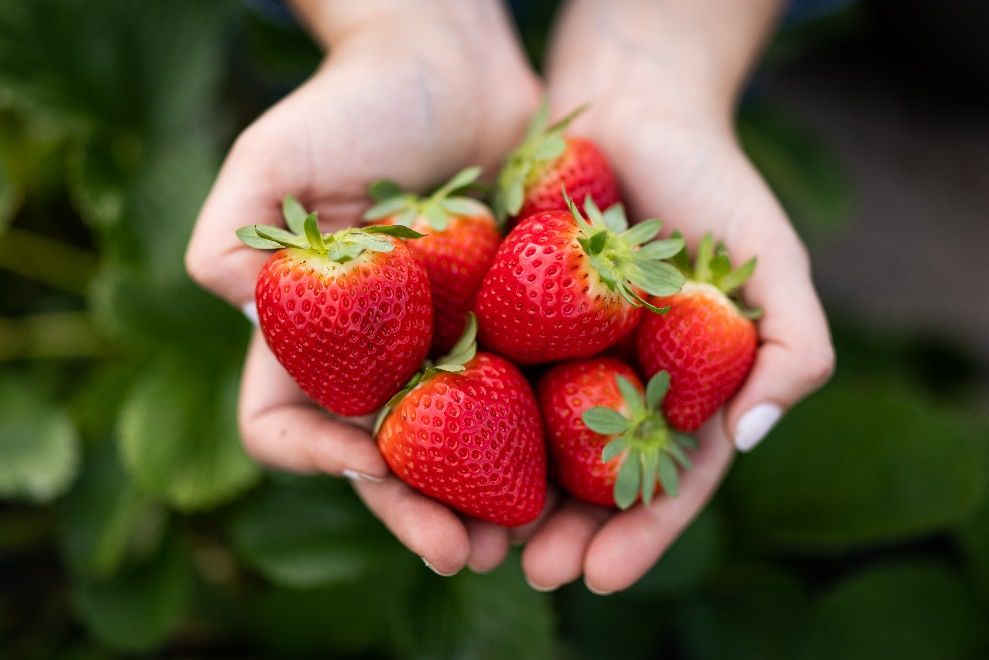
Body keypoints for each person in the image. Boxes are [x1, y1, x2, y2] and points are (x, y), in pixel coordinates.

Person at [185, 0, 834, 594]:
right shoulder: (477, 287)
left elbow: (512, 317)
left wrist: (656, 58)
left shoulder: (558, 278)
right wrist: (406, 25)